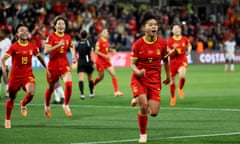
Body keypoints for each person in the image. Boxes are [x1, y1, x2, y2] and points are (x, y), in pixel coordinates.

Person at [130, 11, 170, 143]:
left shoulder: (163, 43)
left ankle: (138, 98)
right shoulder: (138, 44)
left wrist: (168, 76)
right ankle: (143, 135)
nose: (154, 27)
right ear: (144, 28)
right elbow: (132, 64)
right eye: (150, 25)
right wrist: (138, 72)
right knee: (143, 107)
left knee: (153, 113)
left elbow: (166, 61)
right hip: (140, 79)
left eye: (155, 25)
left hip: (154, 80)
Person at [1, 24, 47, 128]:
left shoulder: (32, 45)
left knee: (31, 92)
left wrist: (46, 68)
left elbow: (40, 58)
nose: (24, 32)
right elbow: (3, 59)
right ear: (17, 34)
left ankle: (23, 104)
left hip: (27, 75)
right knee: (11, 99)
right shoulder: (14, 46)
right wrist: (4, 67)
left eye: (26, 30)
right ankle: (7, 119)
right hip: (15, 77)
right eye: (21, 30)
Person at [44, 15, 76, 118]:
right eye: (59, 24)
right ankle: (47, 106)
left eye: (63, 24)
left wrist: (74, 56)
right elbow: (46, 51)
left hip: (64, 64)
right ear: (55, 26)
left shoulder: (67, 37)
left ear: (65, 26)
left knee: (69, 85)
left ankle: (66, 105)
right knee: (50, 88)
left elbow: (71, 46)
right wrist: (58, 45)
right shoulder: (51, 37)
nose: (61, 25)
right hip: (53, 66)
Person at [93, 28, 123, 97]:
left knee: (113, 75)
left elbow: (107, 48)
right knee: (101, 77)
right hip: (100, 61)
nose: (107, 33)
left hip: (106, 61)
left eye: (107, 32)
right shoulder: (99, 41)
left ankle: (116, 91)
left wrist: (112, 50)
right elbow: (96, 51)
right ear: (102, 34)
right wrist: (105, 55)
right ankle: (93, 85)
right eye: (105, 32)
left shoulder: (106, 40)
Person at [167, 24, 192, 106]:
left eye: (178, 28)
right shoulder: (170, 41)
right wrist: (173, 50)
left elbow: (189, 45)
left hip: (182, 59)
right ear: (172, 31)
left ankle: (180, 88)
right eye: (175, 28)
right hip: (173, 62)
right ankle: (173, 98)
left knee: (182, 75)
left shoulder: (184, 39)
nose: (177, 30)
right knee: (172, 81)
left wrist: (189, 51)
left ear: (181, 30)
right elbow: (168, 53)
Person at [75, 30, 95, 99]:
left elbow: (75, 52)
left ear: (80, 36)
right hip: (88, 62)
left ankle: (82, 94)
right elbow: (92, 53)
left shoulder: (78, 43)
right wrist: (94, 62)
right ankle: (91, 93)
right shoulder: (89, 42)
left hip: (80, 62)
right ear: (87, 35)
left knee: (81, 79)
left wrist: (75, 59)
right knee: (90, 78)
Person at [0, 29, 11, 98]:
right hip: (2, 62)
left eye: (0, 33)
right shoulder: (5, 41)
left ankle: (8, 94)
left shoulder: (6, 41)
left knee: (5, 77)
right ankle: (8, 94)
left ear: (4, 34)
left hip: (5, 62)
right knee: (4, 77)